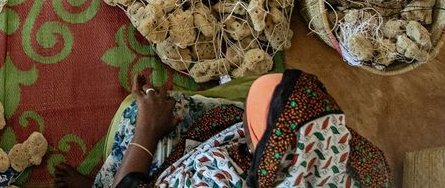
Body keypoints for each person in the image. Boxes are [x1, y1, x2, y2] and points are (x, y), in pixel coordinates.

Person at [56, 71, 391, 188]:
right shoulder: (360, 163)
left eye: (247, 125)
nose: (241, 122)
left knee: (134, 116)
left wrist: (147, 129)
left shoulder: (219, 178)